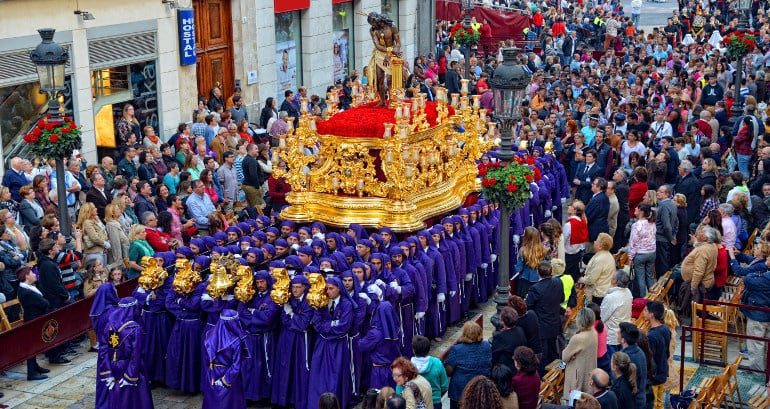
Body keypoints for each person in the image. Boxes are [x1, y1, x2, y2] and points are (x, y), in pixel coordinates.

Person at [308, 277, 354, 409]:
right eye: (326, 288)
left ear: (339, 289)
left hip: (338, 345)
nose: (328, 291)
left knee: (336, 375)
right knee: (318, 375)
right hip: (322, 344)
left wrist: (326, 326)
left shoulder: (346, 304)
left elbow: (344, 326)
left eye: (331, 288)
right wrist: (332, 324)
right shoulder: (322, 302)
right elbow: (316, 324)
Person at [104, 297, 154, 409]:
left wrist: (111, 370)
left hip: (117, 366)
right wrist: (130, 376)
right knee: (137, 398)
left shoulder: (113, 326)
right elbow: (136, 355)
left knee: (120, 396)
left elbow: (113, 349)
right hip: (132, 368)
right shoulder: (134, 329)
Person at [271, 275, 314, 409]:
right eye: (293, 287)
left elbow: (303, 324)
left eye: (298, 287)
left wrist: (291, 314)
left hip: (302, 341)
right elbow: (285, 321)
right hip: (287, 338)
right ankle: (284, 399)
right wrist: (293, 318)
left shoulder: (309, 302)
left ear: (305, 288)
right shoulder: (288, 299)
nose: (295, 290)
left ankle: (298, 401)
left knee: (300, 369)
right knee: (284, 367)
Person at [202, 309, 247, 409]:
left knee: (212, 401)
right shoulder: (236, 342)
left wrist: (209, 372)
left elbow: (206, 358)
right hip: (229, 376)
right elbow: (236, 366)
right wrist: (225, 380)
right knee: (230, 403)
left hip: (212, 373)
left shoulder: (209, 334)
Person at [525, 260, 563, 372]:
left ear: (538, 272)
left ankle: (544, 379)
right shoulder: (558, 282)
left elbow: (528, 306)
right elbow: (561, 298)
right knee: (553, 352)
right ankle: (556, 374)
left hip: (542, 327)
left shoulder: (535, 288)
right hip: (555, 323)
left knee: (544, 356)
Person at [444, 322, 491, 409]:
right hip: (480, 389)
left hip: (460, 392)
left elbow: (448, 372)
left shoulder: (457, 349)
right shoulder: (486, 346)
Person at [16, 267, 51, 381]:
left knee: (35, 344)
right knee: (32, 346)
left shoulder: (28, 288)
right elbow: (44, 303)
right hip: (33, 320)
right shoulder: (26, 292)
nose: (35, 274)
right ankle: (31, 372)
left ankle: (35, 367)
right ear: (26, 276)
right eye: (32, 273)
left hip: (35, 318)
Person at [88, 283, 119, 408]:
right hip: (112, 351)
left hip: (103, 351)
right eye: (114, 289)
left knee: (103, 379)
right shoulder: (112, 313)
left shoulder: (100, 312)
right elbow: (113, 336)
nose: (116, 290)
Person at [562, 308, 598, 400]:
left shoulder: (577, 338)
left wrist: (572, 356)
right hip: (589, 370)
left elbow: (565, 357)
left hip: (577, 373)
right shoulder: (594, 333)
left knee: (574, 401)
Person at [742, 262, 770, 371]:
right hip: (764, 314)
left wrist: (757, 272)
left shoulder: (766, 278)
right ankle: (766, 371)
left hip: (759, 315)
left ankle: (757, 372)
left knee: (756, 344)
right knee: (765, 346)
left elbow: (748, 280)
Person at [643, 301, 671, 409]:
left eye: (645, 310)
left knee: (653, 404)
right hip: (663, 370)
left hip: (654, 376)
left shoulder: (651, 336)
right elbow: (667, 352)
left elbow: (650, 359)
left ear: (652, 314)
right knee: (659, 403)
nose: (643, 312)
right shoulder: (665, 328)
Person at [410, 336, 448, 409]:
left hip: (415, 403)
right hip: (435, 402)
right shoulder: (437, 363)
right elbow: (444, 386)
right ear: (428, 349)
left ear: (413, 350)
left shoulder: (408, 366)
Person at [601, 270, 632, 358]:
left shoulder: (611, 297)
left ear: (615, 281)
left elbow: (602, 317)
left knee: (613, 363)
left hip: (612, 336)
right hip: (623, 332)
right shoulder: (628, 292)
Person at [627, 204, 656, 298]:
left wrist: (630, 257)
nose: (635, 208)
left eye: (637, 208)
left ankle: (642, 299)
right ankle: (652, 298)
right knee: (650, 277)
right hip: (651, 253)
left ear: (641, 212)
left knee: (640, 278)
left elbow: (633, 242)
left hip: (640, 254)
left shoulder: (636, 225)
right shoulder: (652, 223)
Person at [617, 323, 646, 409]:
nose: (616, 333)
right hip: (639, 397)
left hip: (631, 402)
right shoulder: (639, 350)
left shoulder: (625, 358)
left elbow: (622, 383)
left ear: (623, 340)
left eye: (618, 332)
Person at [580, 233, 615, 304]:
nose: (594, 242)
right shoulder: (608, 255)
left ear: (600, 246)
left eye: (597, 240)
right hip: (604, 291)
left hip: (598, 294)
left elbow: (591, 280)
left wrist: (580, 279)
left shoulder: (600, 259)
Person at [491, 307, 527, 373]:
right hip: (519, 365)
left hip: (507, 369)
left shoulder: (500, 336)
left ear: (503, 321)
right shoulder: (520, 330)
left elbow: (494, 355)